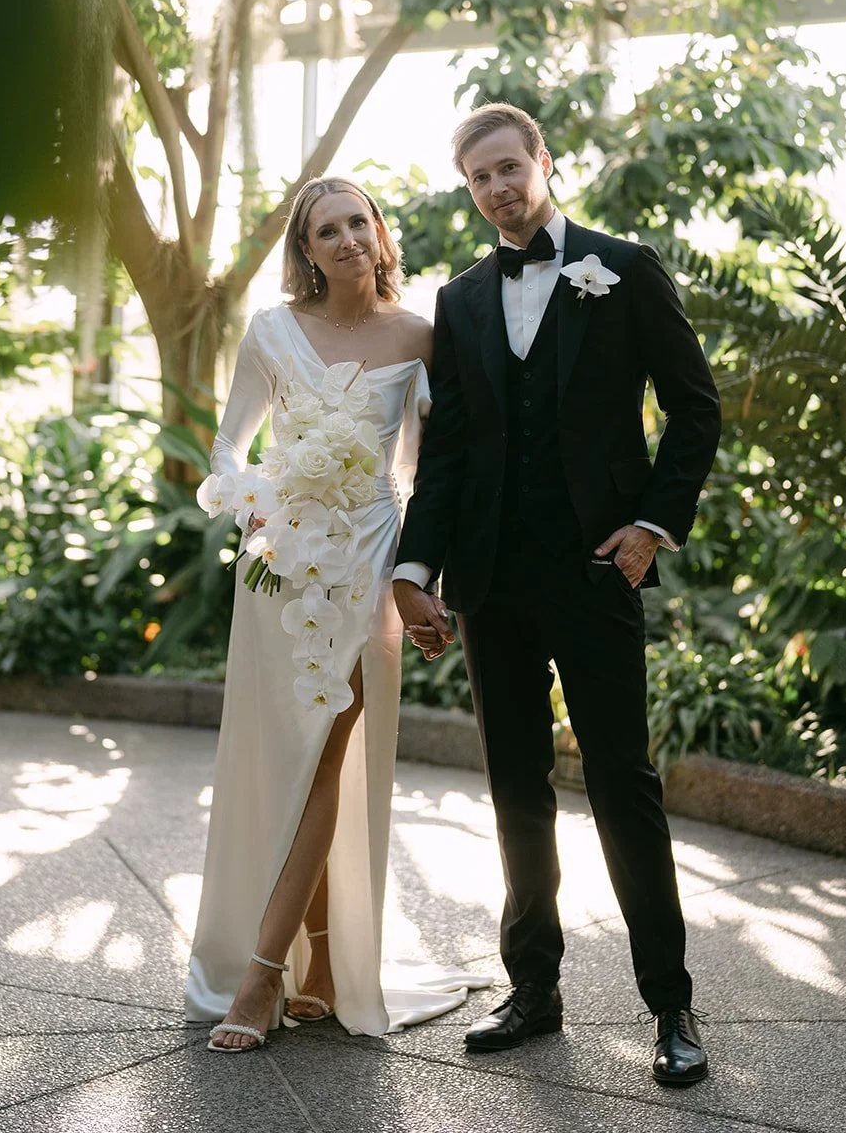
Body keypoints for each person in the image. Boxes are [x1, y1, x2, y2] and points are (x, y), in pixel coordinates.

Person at [392, 103, 722, 1086]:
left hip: (592, 572)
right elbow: (445, 453)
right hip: (490, 581)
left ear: (542, 161)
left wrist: (651, 525)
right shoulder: (456, 301)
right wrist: (416, 572)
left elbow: (692, 408)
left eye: (508, 167)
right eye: (478, 178)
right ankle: (532, 989)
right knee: (513, 790)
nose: (497, 187)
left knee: (623, 785)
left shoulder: (622, 267)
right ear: (469, 190)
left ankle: (670, 1003)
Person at [186, 176, 485, 1050]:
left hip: (369, 570)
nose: (349, 237)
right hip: (280, 571)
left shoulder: (424, 336)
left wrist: (423, 581)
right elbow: (225, 450)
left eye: (360, 221)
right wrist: (261, 511)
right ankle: (313, 968)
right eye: (328, 229)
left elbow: (435, 475)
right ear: (306, 251)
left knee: (326, 758)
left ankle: (259, 979)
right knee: (284, 757)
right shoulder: (272, 333)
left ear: (379, 233)